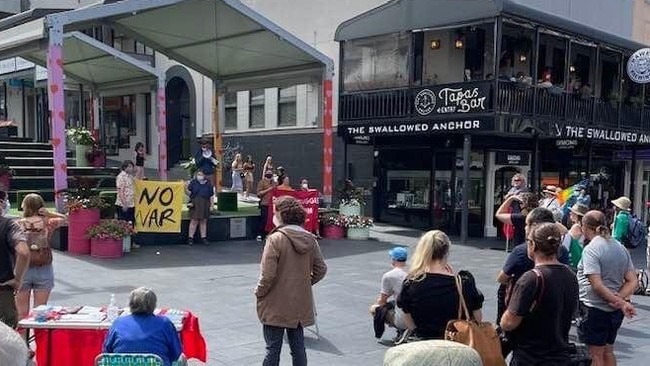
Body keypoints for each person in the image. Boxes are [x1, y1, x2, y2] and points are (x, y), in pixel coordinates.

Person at [255, 196, 327, 366]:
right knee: (298, 347)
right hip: (299, 302)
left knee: (272, 349)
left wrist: (259, 292)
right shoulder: (310, 238)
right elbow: (321, 268)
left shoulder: (275, 239)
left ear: (281, 214)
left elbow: (267, 275)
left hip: (275, 302)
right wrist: (305, 283)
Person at [500, 223, 579, 366]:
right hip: (560, 355)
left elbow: (509, 323)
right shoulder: (570, 275)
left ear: (533, 245)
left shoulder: (531, 279)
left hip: (531, 357)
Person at [397, 230, 484, 340]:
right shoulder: (464, 282)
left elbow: (408, 318)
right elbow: (478, 318)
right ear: (447, 251)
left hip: (424, 343)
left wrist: (417, 333)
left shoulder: (411, 283)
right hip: (456, 344)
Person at [577, 210, 637, 366]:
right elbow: (632, 281)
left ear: (585, 226)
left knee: (594, 355)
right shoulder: (620, 247)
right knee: (608, 351)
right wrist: (618, 300)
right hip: (614, 311)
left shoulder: (591, 249)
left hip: (594, 308)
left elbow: (596, 285)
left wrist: (619, 302)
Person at [495, 208, 570, 329]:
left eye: (526, 224)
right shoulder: (566, 263)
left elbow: (502, 278)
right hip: (554, 317)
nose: (525, 228)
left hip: (524, 319)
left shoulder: (525, 263)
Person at [15, 194, 67, 326]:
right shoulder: (48, 223)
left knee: (21, 313)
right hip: (43, 267)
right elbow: (67, 219)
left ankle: (23, 343)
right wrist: (49, 213)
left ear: (24, 206)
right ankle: (40, 345)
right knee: (40, 313)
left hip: (22, 269)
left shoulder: (17, 224)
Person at [103, 287, 185, 366]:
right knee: (182, 359)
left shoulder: (118, 323)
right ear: (153, 304)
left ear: (131, 304)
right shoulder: (164, 323)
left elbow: (107, 352)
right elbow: (176, 354)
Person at [0, 191, 29, 328]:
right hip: (3, 290)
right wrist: (18, 279)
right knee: (6, 342)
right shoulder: (9, 225)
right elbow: (23, 252)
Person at [369, 247, 408, 340]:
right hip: (417, 313)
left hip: (404, 316)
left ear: (394, 259)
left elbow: (382, 300)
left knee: (375, 309)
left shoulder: (389, 276)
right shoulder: (413, 271)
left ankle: (401, 329)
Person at [186, 169, 214, 246]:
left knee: (203, 221)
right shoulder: (193, 182)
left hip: (205, 203)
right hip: (195, 203)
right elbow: (189, 193)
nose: (199, 176)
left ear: (205, 175)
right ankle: (190, 238)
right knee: (194, 221)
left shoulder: (208, 183)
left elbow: (211, 195)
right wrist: (184, 188)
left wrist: (212, 206)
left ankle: (203, 238)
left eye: (201, 174)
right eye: (198, 174)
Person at [565, 203, 589, 270]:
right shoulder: (585, 226)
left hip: (576, 259)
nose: (570, 213)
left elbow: (570, 240)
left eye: (572, 212)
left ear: (577, 215)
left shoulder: (576, 227)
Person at [256, 169, 277, 241]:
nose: (269, 175)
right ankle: (260, 234)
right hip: (265, 204)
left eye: (271, 174)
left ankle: (269, 234)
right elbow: (258, 194)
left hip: (273, 205)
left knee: (272, 220)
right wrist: (269, 189)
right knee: (263, 220)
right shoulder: (262, 182)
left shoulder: (274, 183)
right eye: (268, 174)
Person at [115, 161, 136, 225]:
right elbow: (121, 191)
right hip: (123, 204)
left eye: (132, 166)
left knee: (131, 222)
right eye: (129, 166)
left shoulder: (130, 176)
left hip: (131, 203)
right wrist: (124, 204)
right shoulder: (121, 177)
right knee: (123, 222)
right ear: (124, 167)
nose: (131, 168)